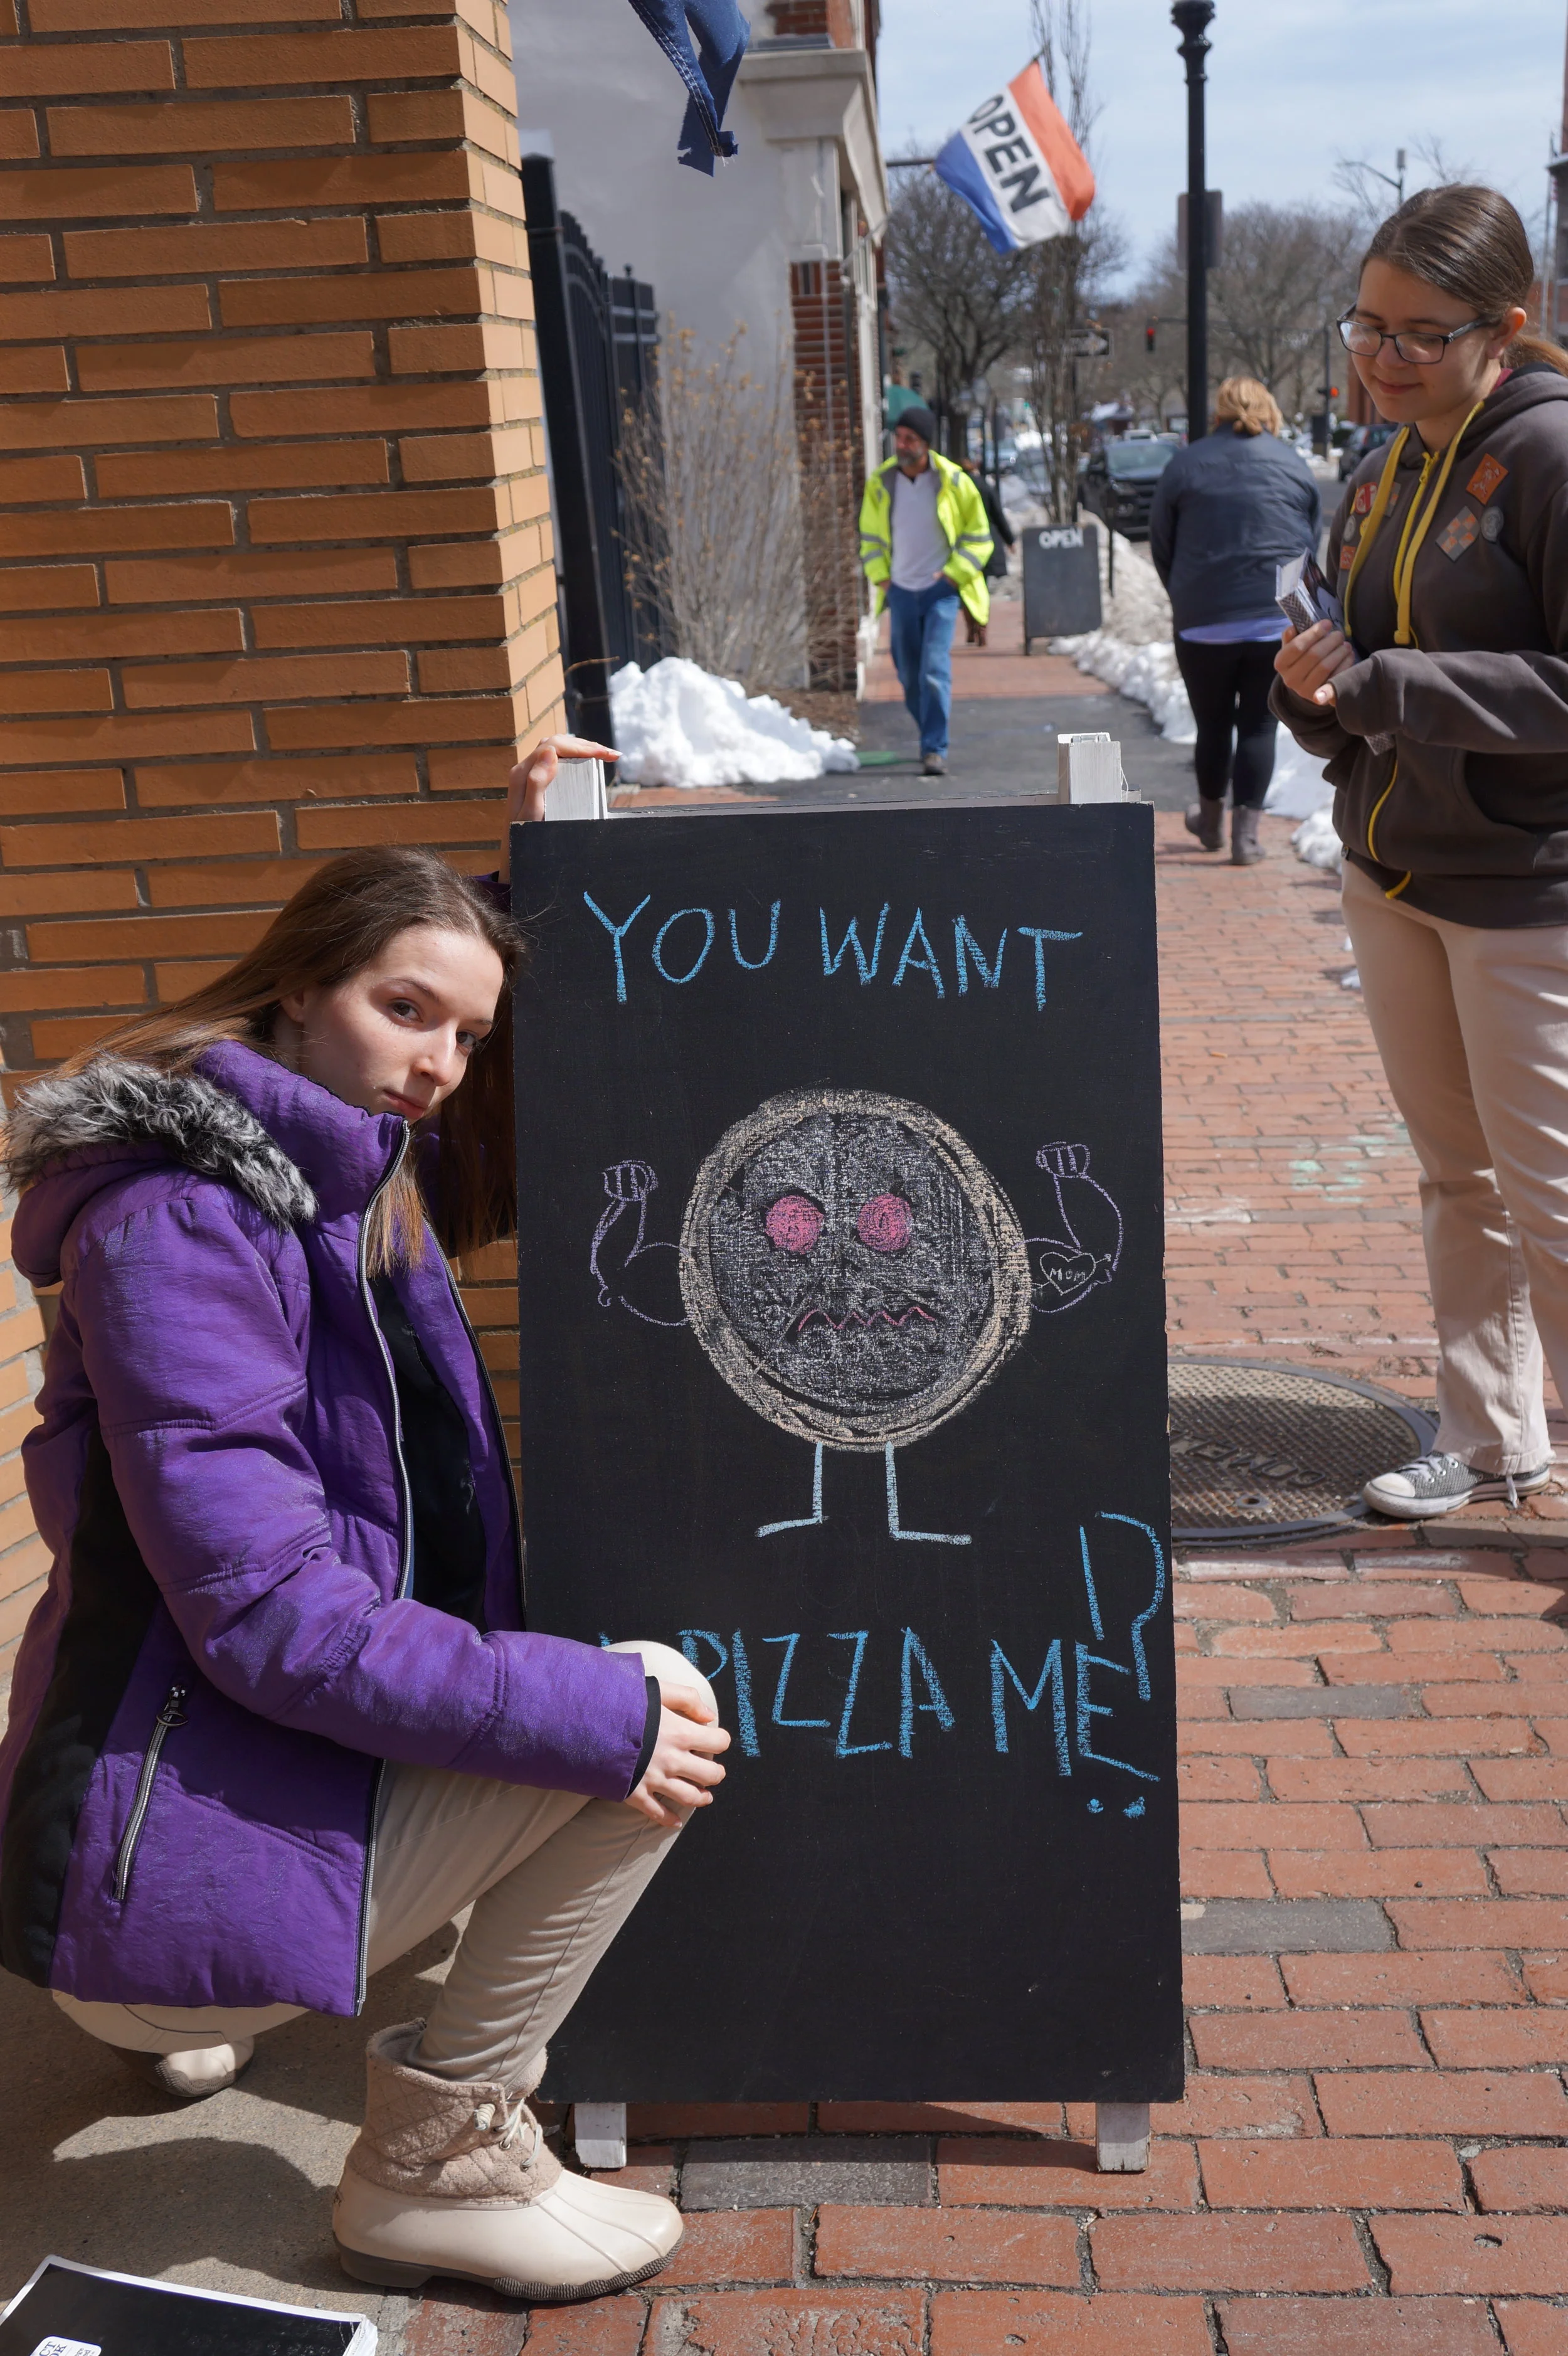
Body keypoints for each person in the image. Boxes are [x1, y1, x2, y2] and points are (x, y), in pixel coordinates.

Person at [0, 736, 731, 2301]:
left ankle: (216, 1991)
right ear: (293, 990)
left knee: (550, 1712)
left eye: (467, 1033)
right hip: (136, 1853)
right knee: (651, 1713)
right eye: (407, 1012)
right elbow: (264, 1614)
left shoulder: (339, 1177)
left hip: (165, 1794)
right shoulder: (184, 1224)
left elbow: (485, 1127)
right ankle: (434, 2163)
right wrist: (583, 1711)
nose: (441, 1063)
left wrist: (545, 864)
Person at [1272, 184, 1568, 1520]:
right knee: (1458, 1180)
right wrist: (1310, 682)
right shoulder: (1378, 465)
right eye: (1365, 326)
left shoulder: (1552, 457)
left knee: (1551, 1198)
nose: (1379, 359)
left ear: (1506, 325)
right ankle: (1493, 1433)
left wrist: (1393, 686)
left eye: (1416, 334)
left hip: (1523, 892)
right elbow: (1358, 663)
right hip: (1390, 870)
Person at [1149, 376, 1322, 865]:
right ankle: (1246, 838)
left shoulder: (1186, 464)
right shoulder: (1292, 462)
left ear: (1218, 413)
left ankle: (1209, 821)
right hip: (1276, 617)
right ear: (1268, 409)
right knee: (1259, 727)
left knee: (1212, 724)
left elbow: (1161, 543)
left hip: (1203, 620)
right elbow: (1310, 542)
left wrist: (1187, 594)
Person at [858, 404, 993, 777]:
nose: (901, 445)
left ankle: (935, 747)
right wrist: (882, 578)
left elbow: (980, 538)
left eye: (909, 439)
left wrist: (952, 576)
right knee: (908, 674)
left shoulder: (954, 481)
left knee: (933, 669)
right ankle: (930, 735)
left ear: (926, 444)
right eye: (899, 437)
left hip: (941, 593)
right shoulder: (881, 483)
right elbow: (868, 538)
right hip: (899, 591)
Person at [961, 457, 1016, 647]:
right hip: (986, 543)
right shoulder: (984, 486)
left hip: (963, 545)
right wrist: (1010, 540)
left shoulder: (957, 489)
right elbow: (998, 515)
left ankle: (971, 627)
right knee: (982, 589)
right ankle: (982, 628)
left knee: (967, 590)